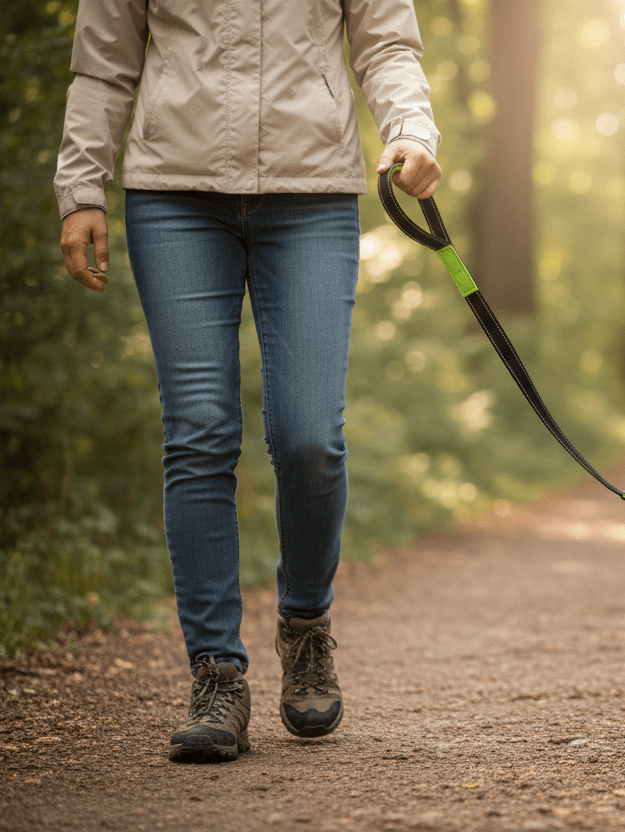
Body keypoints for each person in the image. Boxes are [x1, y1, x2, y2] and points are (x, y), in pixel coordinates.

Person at [55, 0, 441, 763]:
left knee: (309, 439)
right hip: (173, 194)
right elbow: (102, 62)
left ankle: (305, 627)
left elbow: (387, 45)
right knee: (198, 430)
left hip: (312, 196)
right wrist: (82, 187)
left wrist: (410, 131)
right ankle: (217, 674)